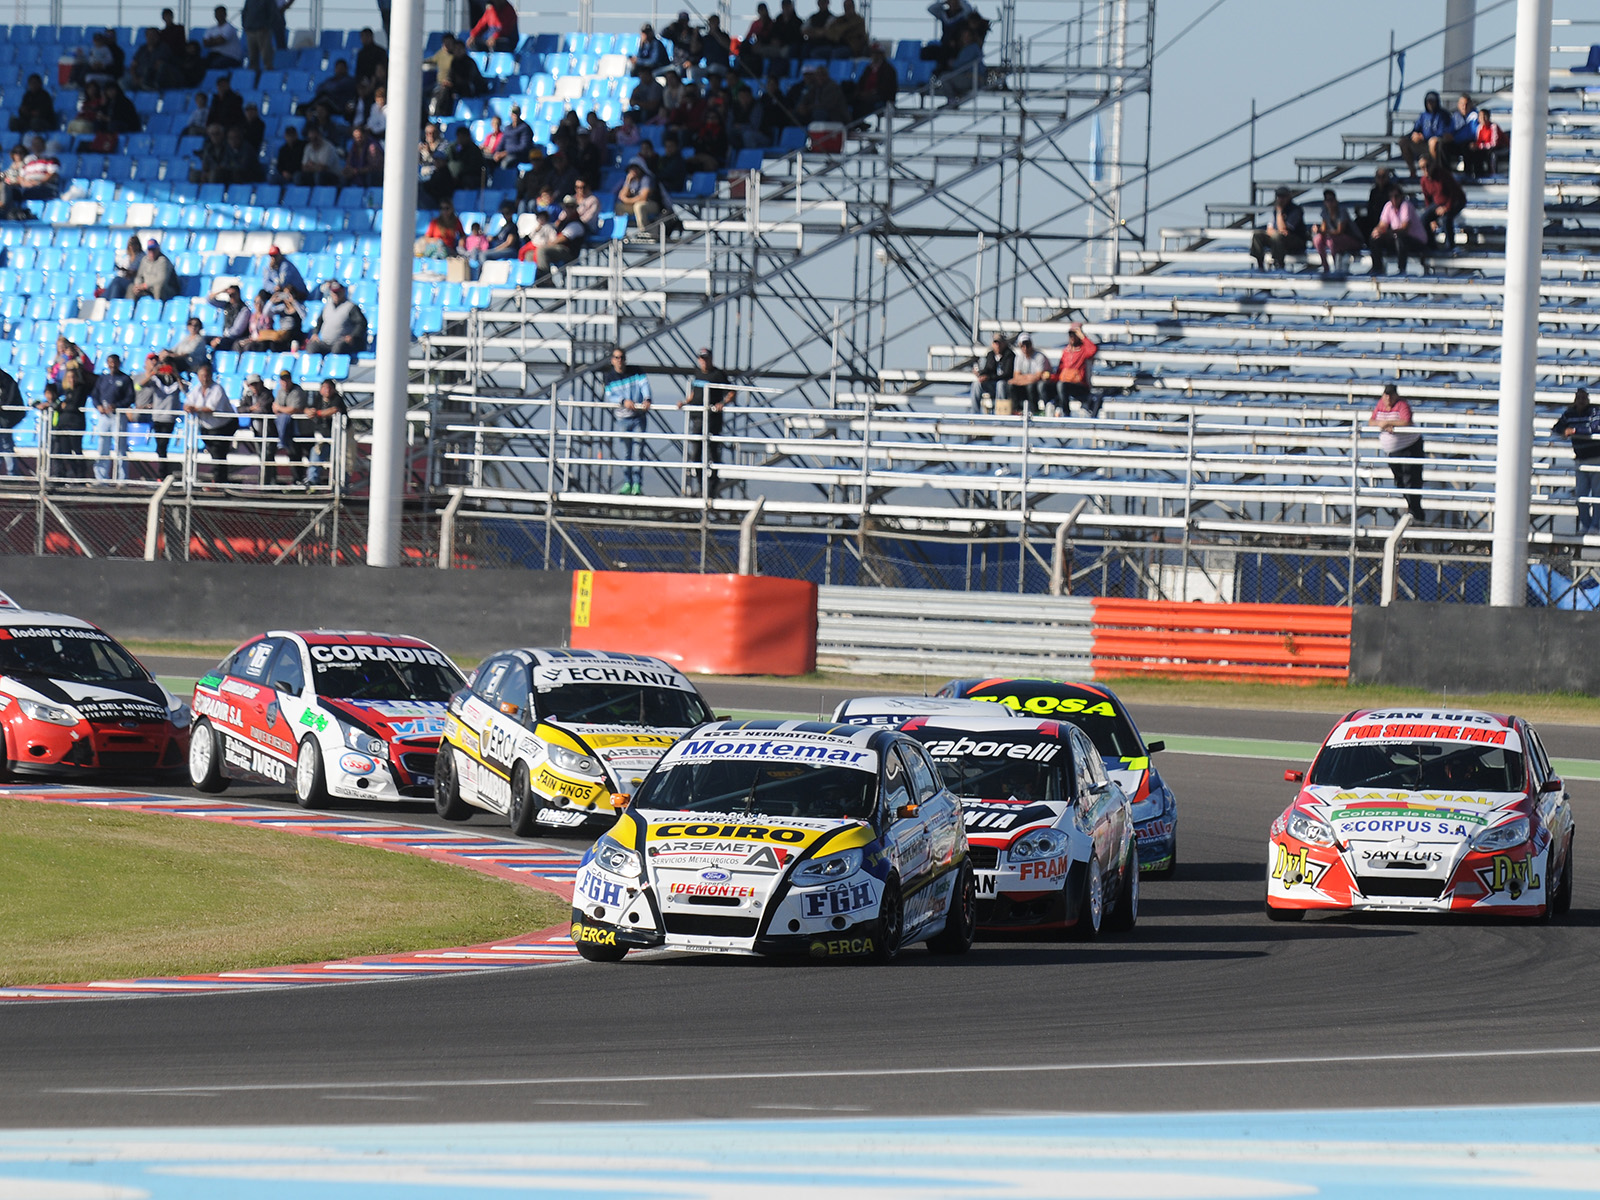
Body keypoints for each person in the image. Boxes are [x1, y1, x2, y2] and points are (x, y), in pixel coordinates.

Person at [676, 347, 734, 498]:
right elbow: (695, 392)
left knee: (713, 453)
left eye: (706, 358)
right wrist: (685, 402)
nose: (703, 361)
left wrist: (722, 403)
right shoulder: (697, 373)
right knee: (696, 454)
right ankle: (702, 485)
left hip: (712, 418)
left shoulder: (718, 374)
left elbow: (731, 391)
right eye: (701, 358)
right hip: (697, 417)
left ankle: (712, 486)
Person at [1372, 383, 1424, 523]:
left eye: (1391, 395)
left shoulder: (1402, 405)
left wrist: (1391, 423)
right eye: (1386, 395)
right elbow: (1372, 421)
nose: (1388, 398)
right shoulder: (1380, 405)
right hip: (1392, 451)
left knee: (1410, 479)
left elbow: (1406, 421)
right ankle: (1411, 507)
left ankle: (1415, 511)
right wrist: (1381, 424)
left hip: (1409, 447)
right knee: (1400, 480)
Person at [603, 346, 652, 494]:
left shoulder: (636, 371)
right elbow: (609, 395)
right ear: (612, 360)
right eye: (617, 358)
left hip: (638, 417)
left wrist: (647, 399)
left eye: (622, 357)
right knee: (626, 453)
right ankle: (627, 483)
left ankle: (637, 485)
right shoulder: (609, 377)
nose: (620, 361)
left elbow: (645, 385)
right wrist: (623, 400)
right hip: (622, 419)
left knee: (638, 452)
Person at [1555, 387, 1600, 536]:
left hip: (1595, 459)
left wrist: (1574, 431)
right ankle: (1586, 525)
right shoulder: (1570, 413)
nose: (1581, 401)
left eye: (1584, 398)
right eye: (1579, 398)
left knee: (1596, 495)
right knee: (1581, 495)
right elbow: (1558, 427)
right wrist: (1563, 431)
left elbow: (1595, 428)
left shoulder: (1594, 411)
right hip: (1580, 460)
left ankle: (1595, 526)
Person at [184, 362, 236, 483]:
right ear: (198, 376)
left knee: (219, 453)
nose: (204, 378)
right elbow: (187, 403)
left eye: (206, 375)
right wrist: (188, 407)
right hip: (207, 426)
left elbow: (210, 408)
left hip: (224, 425)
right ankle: (219, 479)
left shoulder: (217, 389)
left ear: (211, 375)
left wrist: (195, 409)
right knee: (215, 453)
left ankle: (219, 480)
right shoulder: (196, 389)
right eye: (202, 375)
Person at [134, 355, 184, 474]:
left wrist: (176, 375)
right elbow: (138, 386)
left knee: (163, 445)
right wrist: (153, 373)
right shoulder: (156, 379)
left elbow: (185, 391)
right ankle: (164, 472)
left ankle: (163, 473)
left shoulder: (176, 380)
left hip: (170, 417)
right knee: (160, 446)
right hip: (157, 416)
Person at [90, 353, 134, 482]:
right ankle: (101, 478)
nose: (112, 365)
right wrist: (98, 406)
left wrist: (116, 406)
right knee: (103, 446)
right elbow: (95, 395)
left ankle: (122, 479)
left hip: (118, 416)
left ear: (119, 363)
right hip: (104, 417)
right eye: (110, 362)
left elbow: (130, 398)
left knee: (120, 447)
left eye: (114, 362)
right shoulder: (102, 379)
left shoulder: (125, 379)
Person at [1368, 183, 1428, 275]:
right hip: (1397, 237)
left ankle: (1401, 269)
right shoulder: (1388, 206)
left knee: (1400, 238)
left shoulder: (1406, 206)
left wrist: (1387, 232)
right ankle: (1377, 267)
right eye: (1391, 196)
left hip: (1416, 240)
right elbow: (1382, 224)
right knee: (1375, 238)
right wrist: (1377, 231)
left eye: (1396, 196)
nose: (1394, 199)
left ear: (1401, 196)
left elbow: (1404, 229)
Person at [36, 377, 87, 477]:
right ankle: (59, 474)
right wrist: (40, 405)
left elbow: (56, 406)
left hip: (58, 430)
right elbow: (35, 402)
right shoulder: (47, 402)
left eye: (50, 393)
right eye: (47, 393)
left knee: (60, 453)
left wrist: (49, 405)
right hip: (51, 432)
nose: (48, 396)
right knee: (55, 454)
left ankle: (64, 474)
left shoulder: (58, 402)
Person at [1418, 154, 1467, 253]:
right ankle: (1431, 245)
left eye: (1428, 166)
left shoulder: (1442, 175)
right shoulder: (1424, 181)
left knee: (1446, 218)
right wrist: (1432, 219)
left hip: (1455, 200)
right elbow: (1427, 199)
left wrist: (1446, 208)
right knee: (1424, 219)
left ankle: (1450, 245)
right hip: (1438, 202)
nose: (1426, 169)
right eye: (1423, 167)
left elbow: (1454, 192)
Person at [1250, 187, 1306, 271]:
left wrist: (1279, 212)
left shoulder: (1295, 210)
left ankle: (1279, 264)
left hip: (1295, 240)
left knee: (1277, 236)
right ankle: (1260, 264)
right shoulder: (1275, 210)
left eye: (1283, 197)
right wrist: (1275, 231)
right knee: (1257, 235)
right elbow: (1269, 228)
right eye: (1279, 197)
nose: (1281, 199)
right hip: (1278, 238)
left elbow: (1283, 228)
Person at [305, 281, 368, 355]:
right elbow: (319, 321)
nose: (336, 295)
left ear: (343, 291)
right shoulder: (327, 306)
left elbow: (361, 323)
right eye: (334, 292)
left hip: (341, 342)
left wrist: (353, 336)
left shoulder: (351, 307)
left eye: (338, 292)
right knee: (311, 346)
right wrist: (315, 333)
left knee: (338, 348)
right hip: (325, 343)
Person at [304, 378, 347, 485]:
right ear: (320, 390)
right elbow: (307, 409)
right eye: (324, 387)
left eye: (329, 388)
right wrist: (309, 411)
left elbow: (334, 409)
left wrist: (317, 413)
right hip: (323, 437)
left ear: (334, 390)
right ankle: (312, 481)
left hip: (340, 438)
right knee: (316, 453)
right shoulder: (318, 399)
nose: (327, 390)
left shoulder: (337, 399)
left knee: (343, 460)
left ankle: (341, 483)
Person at [1399, 90, 1450, 177]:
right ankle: (1412, 171)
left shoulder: (1443, 115)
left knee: (1433, 141)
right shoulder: (1423, 116)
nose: (1430, 103)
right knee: (1403, 142)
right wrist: (1414, 136)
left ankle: (1436, 170)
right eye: (1428, 101)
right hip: (1422, 145)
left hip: (1436, 146)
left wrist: (1424, 137)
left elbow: (1442, 132)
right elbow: (1416, 129)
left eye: (1432, 101)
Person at [1311, 188, 1362, 275]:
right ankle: (1325, 265)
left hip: (1352, 239)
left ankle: (1335, 267)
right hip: (1336, 239)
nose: (1329, 203)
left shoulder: (1342, 211)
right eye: (1327, 200)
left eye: (1331, 200)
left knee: (1332, 241)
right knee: (1317, 239)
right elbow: (1324, 229)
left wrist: (1324, 231)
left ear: (1335, 200)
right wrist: (1318, 229)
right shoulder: (1325, 212)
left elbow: (1339, 231)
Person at [271, 368, 308, 482]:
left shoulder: (297, 391)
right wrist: (282, 409)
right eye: (283, 380)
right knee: (293, 455)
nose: (285, 383)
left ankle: (303, 479)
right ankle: (297, 480)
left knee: (302, 454)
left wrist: (280, 409)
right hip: (289, 430)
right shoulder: (280, 391)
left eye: (287, 380)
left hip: (302, 430)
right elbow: (275, 409)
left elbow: (293, 409)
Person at [1055, 323, 1099, 417]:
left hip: (1079, 385)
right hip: (1065, 383)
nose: (1072, 337)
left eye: (1074, 335)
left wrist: (1082, 336)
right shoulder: (1066, 351)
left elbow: (1092, 350)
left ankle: (1066, 413)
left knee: (1061, 386)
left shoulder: (1083, 350)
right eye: (1070, 335)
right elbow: (1060, 369)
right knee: (1046, 386)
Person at [1009, 334, 1055, 416]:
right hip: (1027, 384)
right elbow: (1016, 376)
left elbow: (1037, 377)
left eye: (1028, 345)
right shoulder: (1019, 358)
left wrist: (1022, 378)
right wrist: (1028, 377)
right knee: (1011, 385)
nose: (1025, 348)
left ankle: (1035, 410)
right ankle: (1016, 410)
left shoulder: (1039, 356)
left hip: (1039, 384)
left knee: (1032, 386)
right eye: (1023, 345)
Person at [853, 43, 898, 121]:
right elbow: (861, 82)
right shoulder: (868, 68)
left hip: (882, 97)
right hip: (868, 96)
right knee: (852, 99)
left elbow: (886, 89)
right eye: (873, 53)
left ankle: (857, 123)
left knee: (864, 103)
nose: (874, 55)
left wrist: (871, 93)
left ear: (882, 54)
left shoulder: (888, 69)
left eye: (877, 53)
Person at [970, 334, 1012, 414]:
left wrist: (989, 377)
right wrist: (980, 374)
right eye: (995, 343)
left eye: (999, 343)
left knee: (1001, 384)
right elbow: (988, 368)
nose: (997, 345)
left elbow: (1007, 374)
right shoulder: (990, 355)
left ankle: (1000, 413)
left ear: (1004, 343)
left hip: (1004, 385)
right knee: (976, 384)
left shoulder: (1010, 355)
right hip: (992, 383)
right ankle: (974, 413)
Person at [208, 283, 251, 351]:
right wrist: (222, 291)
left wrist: (219, 339)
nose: (232, 297)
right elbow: (210, 300)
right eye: (230, 295)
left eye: (234, 294)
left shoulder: (244, 310)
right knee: (205, 339)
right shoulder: (227, 305)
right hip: (225, 337)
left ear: (238, 294)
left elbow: (236, 331)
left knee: (220, 343)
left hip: (234, 338)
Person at [615, 163, 660, 228]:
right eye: (632, 168)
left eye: (636, 168)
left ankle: (644, 231)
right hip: (634, 204)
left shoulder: (646, 179)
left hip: (652, 204)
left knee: (638, 206)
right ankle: (620, 230)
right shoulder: (629, 179)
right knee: (619, 206)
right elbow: (621, 196)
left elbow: (643, 198)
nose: (634, 170)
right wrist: (628, 182)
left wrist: (627, 200)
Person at [1466, 107, 1506, 177]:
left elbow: (1494, 143)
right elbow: (1478, 141)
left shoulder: (1493, 126)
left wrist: (1479, 146)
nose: (1483, 119)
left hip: (1498, 148)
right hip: (1485, 148)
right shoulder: (1479, 128)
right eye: (1481, 117)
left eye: (1485, 116)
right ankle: (1477, 174)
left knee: (1492, 154)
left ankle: (1492, 174)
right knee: (1474, 153)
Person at [1357, 166, 1393, 241]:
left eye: (1383, 177)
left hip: (1387, 220)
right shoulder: (1374, 191)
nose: (1381, 179)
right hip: (1374, 218)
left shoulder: (1392, 191)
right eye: (1379, 177)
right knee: (1359, 221)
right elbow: (1370, 207)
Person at [0, 366, 24, 476]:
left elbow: (9, 398)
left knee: (5, 444)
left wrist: (3, 406)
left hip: (6, 417)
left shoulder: (5, 380)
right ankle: (12, 472)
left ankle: (12, 473)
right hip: (4, 417)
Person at [241, 0, 277, 71]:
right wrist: (245, 25)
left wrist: (267, 26)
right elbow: (245, 11)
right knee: (252, 57)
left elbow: (273, 13)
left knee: (266, 56)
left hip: (262, 31)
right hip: (250, 30)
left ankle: (267, 75)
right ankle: (253, 77)